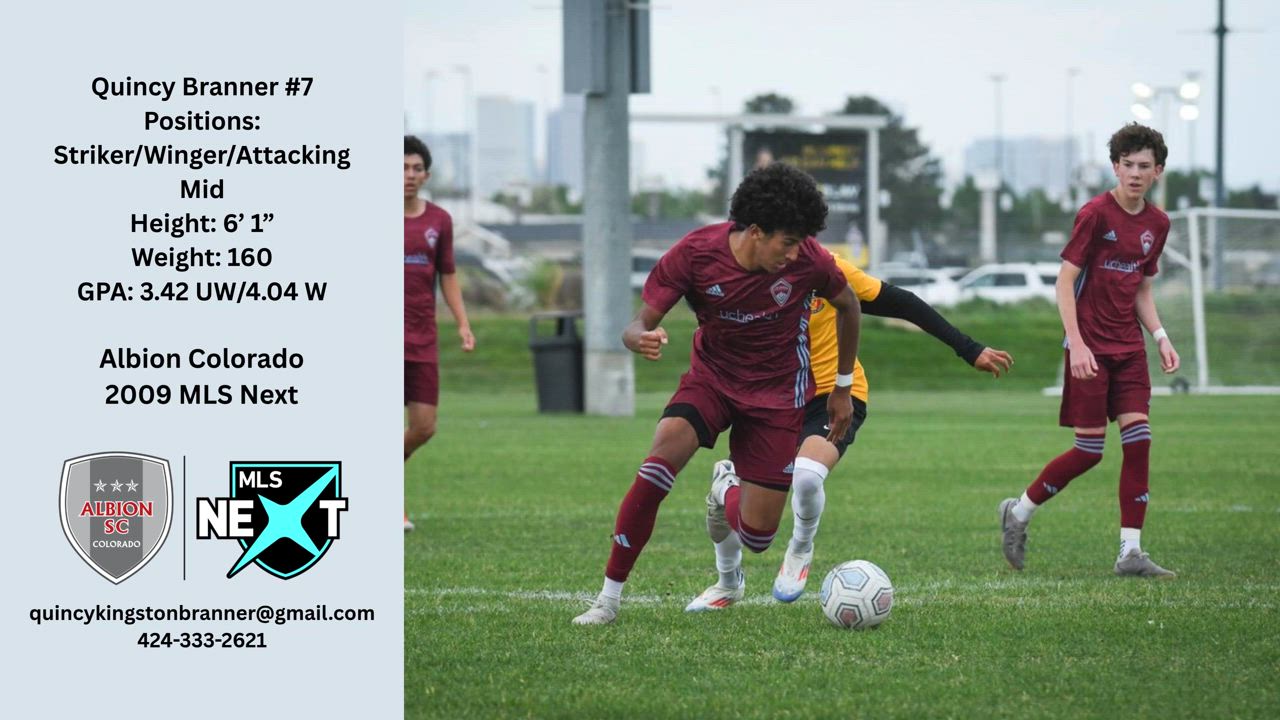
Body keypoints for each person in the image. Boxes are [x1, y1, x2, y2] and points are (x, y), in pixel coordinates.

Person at [572, 163, 862, 625]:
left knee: (758, 537)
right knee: (657, 466)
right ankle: (607, 600)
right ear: (755, 231)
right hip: (713, 380)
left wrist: (842, 389)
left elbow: (849, 305)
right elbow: (636, 325)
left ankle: (725, 485)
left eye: (800, 242)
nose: (794, 253)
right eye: (787, 242)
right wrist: (638, 338)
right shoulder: (696, 253)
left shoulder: (809, 260)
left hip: (777, 395)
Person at [699, 252, 1014, 607]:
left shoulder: (824, 266)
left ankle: (800, 547)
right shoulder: (739, 274)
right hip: (772, 400)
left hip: (832, 396)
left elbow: (902, 302)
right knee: (753, 526)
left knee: (807, 476)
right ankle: (727, 579)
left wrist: (969, 349)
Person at [1000, 123, 1179, 577]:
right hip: (1090, 348)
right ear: (1115, 167)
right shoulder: (1095, 214)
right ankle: (1018, 512)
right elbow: (1064, 282)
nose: (1134, 173)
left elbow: (1141, 289)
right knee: (1089, 451)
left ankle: (1130, 552)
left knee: (1139, 441)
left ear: (1157, 171)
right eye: (1127, 164)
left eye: (1144, 166)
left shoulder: (1158, 224)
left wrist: (1160, 335)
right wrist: (1076, 344)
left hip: (1129, 349)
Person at [404, 135, 475, 532]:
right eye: (402, 168)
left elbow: (447, 275)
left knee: (424, 427)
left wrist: (462, 323)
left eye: (416, 168)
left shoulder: (439, 221)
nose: (409, 175)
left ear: (426, 176)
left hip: (422, 338)